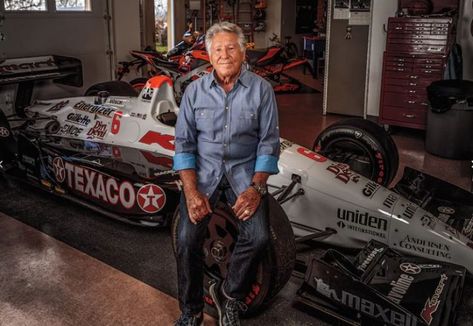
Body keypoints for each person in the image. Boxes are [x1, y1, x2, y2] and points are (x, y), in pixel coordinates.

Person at [173, 21, 280, 326]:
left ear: (243, 51)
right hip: (203, 175)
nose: (224, 54)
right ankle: (191, 310)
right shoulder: (194, 92)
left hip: (244, 175)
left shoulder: (262, 91)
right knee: (186, 239)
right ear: (208, 55)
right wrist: (192, 192)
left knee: (258, 237)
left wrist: (256, 188)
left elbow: (268, 144)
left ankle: (229, 294)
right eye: (217, 49)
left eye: (231, 47)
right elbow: (184, 144)